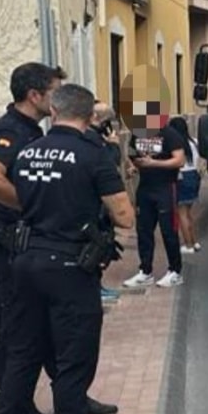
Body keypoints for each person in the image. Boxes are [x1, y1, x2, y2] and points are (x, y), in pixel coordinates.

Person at [0, 83, 135, 414]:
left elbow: (11, 192)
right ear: (89, 117)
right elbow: (123, 215)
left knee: (21, 355)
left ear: (53, 109)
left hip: (25, 262)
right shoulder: (93, 153)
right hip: (69, 267)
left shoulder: (27, 150)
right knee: (71, 364)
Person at [122, 102, 185, 288]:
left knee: (168, 231)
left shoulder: (169, 134)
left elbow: (179, 160)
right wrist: (133, 166)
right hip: (145, 188)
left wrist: (154, 164)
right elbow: (132, 155)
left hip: (166, 187)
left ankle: (175, 271)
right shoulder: (137, 134)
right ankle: (145, 271)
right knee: (143, 230)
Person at [91, 101, 124, 302]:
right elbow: (109, 165)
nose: (108, 125)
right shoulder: (94, 140)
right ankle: (95, 288)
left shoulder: (95, 137)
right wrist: (113, 146)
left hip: (100, 204)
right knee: (97, 246)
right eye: (106, 121)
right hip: (96, 204)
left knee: (102, 244)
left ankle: (98, 285)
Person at [168, 116, 202, 254]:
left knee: (181, 213)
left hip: (181, 176)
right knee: (188, 213)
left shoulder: (176, 144)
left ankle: (188, 245)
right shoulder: (194, 142)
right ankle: (194, 242)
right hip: (194, 175)